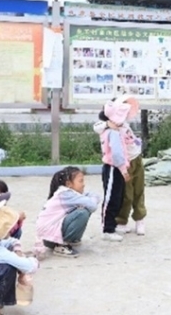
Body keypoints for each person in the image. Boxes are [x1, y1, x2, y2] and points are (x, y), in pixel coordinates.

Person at [93, 95, 147, 236]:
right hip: (124, 162)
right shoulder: (110, 127)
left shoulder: (124, 124)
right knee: (126, 194)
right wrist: (107, 124)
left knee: (139, 190)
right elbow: (97, 127)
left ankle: (140, 218)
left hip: (136, 158)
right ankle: (121, 221)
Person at [34, 166, 100, 258]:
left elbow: (94, 196)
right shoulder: (66, 194)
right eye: (80, 181)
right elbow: (92, 205)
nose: (83, 184)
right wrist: (91, 200)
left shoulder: (69, 194)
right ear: (69, 184)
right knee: (82, 212)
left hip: (47, 237)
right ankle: (62, 245)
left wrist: (90, 200)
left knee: (83, 207)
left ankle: (70, 240)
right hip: (48, 237)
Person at [95, 100, 131, 242]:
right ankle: (107, 229)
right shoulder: (111, 132)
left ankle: (112, 225)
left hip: (117, 168)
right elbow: (116, 154)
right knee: (111, 199)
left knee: (117, 197)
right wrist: (124, 170)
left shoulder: (115, 130)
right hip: (113, 168)